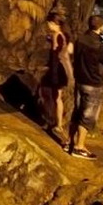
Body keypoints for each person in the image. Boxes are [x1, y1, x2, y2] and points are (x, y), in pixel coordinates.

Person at [69, 15, 103, 160]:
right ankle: (79, 147)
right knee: (88, 116)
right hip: (93, 83)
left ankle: (69, 142)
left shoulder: (80, 39)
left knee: (77, 112)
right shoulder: (98, 44)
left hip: (80, 80)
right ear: (101, 27)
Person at [39, 13, 73, 143]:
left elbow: (59, 54)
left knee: (52, 96)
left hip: (57, 71)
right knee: (55, 97)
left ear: (55, 24)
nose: (48, 25)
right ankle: (56, 123)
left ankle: (54, 121)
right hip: (57, 70)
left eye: (49, 23)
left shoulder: (58, 36)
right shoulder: (62, 36)